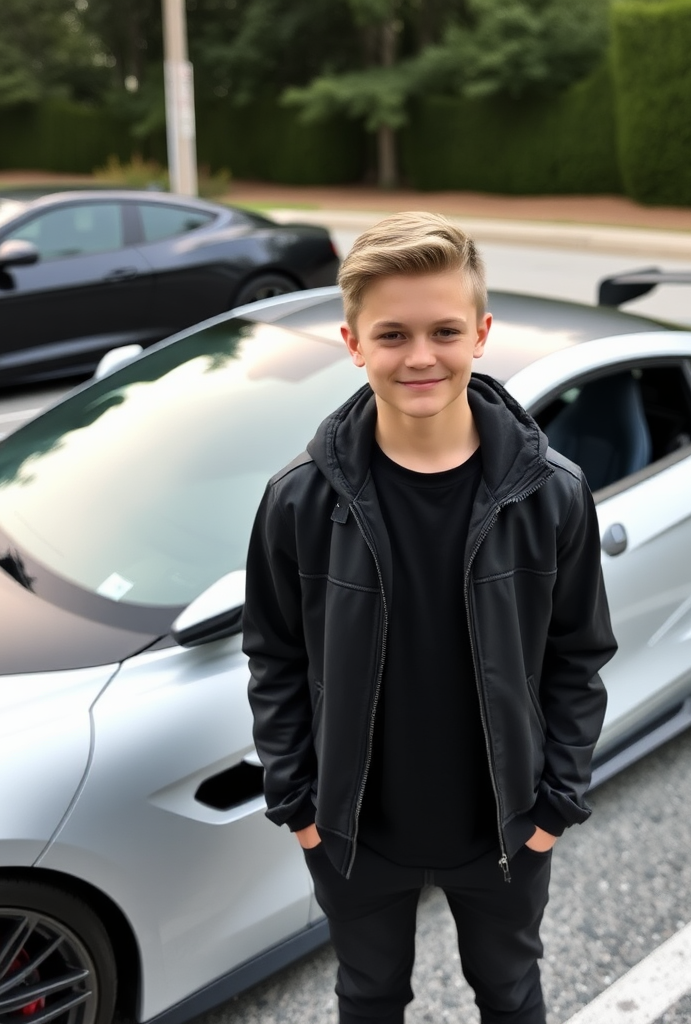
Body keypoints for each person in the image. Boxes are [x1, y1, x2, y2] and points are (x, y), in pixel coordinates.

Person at [243, 211, 617, 1024]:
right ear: (354, 344)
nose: (420, 357)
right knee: (369, 995)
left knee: (511, 993)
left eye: (444, 330)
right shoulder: (298, 500)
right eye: (392, 334)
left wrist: (554, 807)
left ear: (480, 333)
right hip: (353, 834)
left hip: (507, 829)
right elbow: (272, 657)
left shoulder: (552, 493)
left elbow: (578, 655)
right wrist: (300, 809)